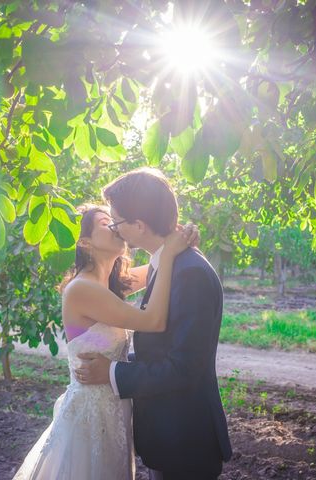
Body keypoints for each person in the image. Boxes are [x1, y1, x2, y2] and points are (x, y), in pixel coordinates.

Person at [13, 204, 198, 480]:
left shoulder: (110, 283)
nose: (114, 225)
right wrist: (171, 252)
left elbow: (158, 269)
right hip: (91, 418)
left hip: (113, 414)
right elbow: (153, 320)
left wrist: (182, 241)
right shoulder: (82, 289)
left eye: (115, 220)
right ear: (86, 242)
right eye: (104, 222)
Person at [76, 168, 232, 480]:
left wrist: (111, 372)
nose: (116, 230)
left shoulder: (190, 274)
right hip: (171, 437)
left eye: (118, 222)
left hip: (185, 443)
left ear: (139, 225)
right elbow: (165, 350)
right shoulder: (168, 264)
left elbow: (183, 367)